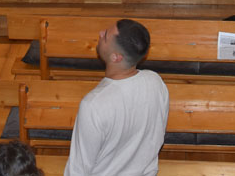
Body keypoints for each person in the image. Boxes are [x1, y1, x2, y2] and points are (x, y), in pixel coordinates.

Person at [63, 19, 169, 176]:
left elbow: (78, 170)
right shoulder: (156, 82)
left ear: (116, 57)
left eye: (105, 35)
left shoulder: (93, 104)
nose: (100, 33)